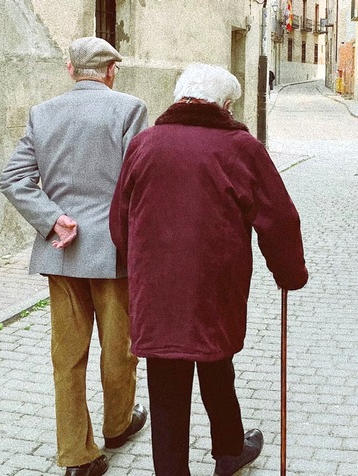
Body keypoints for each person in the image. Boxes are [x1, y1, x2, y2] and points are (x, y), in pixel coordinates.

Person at [109, 63, 308, 476]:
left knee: (166, 384)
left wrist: (141, 264)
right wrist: (289, 273)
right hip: (214, 287)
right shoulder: (240, 147)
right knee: (217, 364)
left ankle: (181, 467)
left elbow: (119, 220)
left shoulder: (145, 144)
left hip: (157, 290)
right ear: (226, 104)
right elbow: (280, 218)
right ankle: (230, 450)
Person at [0, 37, 149, 476]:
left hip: (61, 252)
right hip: (114, 252)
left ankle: (77, 456)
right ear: (111, 71)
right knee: (118, 349)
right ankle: (118, 425)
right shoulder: (130, 108)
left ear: (69, 70)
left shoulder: (42, 113)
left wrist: (52, 219)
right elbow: (138, 182)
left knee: (67, 356)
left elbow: (13, 179)